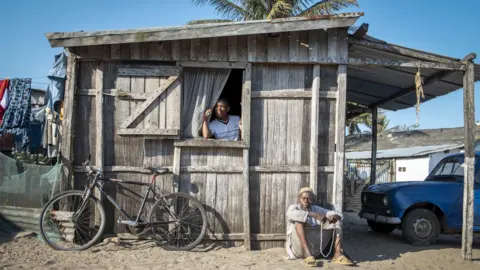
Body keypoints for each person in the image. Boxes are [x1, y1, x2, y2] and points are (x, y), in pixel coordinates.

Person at [285, 187, 354, 267]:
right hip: (297, 249)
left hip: (315, 251)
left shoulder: (316, 208)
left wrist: (336, 216)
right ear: (299, 199)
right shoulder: (293, 208)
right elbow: (289, 214)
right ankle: (307, 253)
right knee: (298, 221)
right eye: (304, 198)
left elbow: (336, 214)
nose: (306, 200)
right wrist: (314, 214)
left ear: (312, 200)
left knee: (337, 221)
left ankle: (337, 254)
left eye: (309, 198)